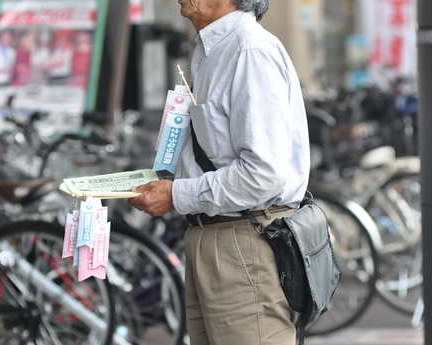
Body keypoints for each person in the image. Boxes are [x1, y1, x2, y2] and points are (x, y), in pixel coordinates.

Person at [128, 0, 310, 344]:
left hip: (244, 239)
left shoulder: (249, 51)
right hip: (215, 235)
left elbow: (262, 174)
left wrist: (176, 194)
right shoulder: (213, 49)